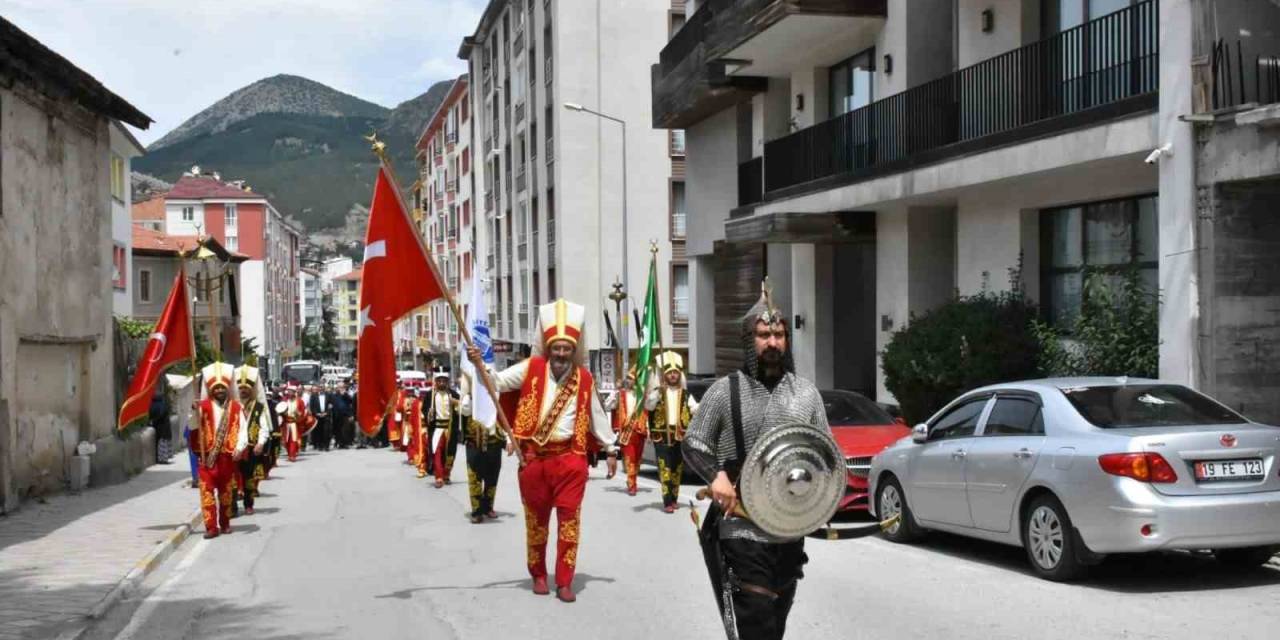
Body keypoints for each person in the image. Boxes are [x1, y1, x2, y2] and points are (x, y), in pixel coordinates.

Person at [682, 283, 829, 640]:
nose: (773, 343)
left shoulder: (806, 393)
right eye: (764, 335)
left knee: (775, 619)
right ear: (750, 340)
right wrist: (716, 476)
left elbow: (824, 457)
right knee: (757, 617)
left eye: (778, 334)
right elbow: (694, 443)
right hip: (742, 524)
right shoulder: (726, 390)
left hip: (787, 527)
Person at [466, 298, 619, 603]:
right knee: (536, 523)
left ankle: (564, 580)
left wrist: (611, 447)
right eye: (556, 348)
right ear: (548, 348)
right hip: (534, 460)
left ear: (574, 350)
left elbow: (596, 416)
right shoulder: (530, 368)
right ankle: (538, 573)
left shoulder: (584, 378)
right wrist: (477, 363)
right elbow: (496, 382)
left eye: (567, 348)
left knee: (569, 522)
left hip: (571, 461)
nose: (561, 353)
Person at [189, 362, 249, 539]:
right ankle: (211, 527)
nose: (220, 391)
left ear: (228, 389)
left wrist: (239, 447)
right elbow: (192, 426)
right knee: (206, 493)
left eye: (223, 388)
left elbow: (243, 429)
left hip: (227, 458)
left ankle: (225, 523)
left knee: (226, 493)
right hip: (208, 457)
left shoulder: (236, 408)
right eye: (216, 388)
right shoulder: (203, 406)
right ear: (211, 390)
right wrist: (193, 411)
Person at [645, 351, 698, 513]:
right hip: (661, 435)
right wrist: (657, 391)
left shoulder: (686, 394)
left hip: (679, 435)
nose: (673, 375)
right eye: (670, 373)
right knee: (665, 468)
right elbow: (649, 406)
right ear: (665, 375)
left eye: (676, 373)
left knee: (677, 469)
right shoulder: (657, 392)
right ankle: (667, 501)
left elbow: (694, 408)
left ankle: (674, 498)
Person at [459, 373, 504, 523]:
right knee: (475, 477)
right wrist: (470, 395)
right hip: (475, 441)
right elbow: (464, 410)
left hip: (494, 441)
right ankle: (477, 510)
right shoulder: (469, 396)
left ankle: (488, 507)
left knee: (492, 476)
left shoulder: (496, 392)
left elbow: (504, 417)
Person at [232, 365, 272, 515]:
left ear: (251, 389)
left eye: (246, 388)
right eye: (240, 388)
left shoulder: (258, 406)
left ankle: (249, 504)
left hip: (251, 448)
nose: (243, 390)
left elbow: (264, 426)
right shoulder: (232, 406)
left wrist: (261, 442)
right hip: (234, 447)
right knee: (233, 479)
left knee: (248, 478)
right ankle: (232, 507)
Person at [602, 369, 647, 497]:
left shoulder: (641, 395)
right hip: (626, 433)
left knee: (637, 461)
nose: (629, 381)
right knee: (629, 459)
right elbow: (607, 405)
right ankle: (632, 485)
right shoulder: (620, 394)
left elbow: (648, 412)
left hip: (640, 431)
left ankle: (632, 479)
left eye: (632, 378)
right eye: (628, 378)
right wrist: (615, 393)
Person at [425, 367, 462, 488]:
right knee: (436, 452)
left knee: (450, 454)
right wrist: (428, 414)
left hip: (450, 429)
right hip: (436, 429)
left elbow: (463, 410)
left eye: (444, 381)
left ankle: (446, 474)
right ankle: (439, 477)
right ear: (436, 381)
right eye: (439, 380)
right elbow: (424, 411)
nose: (441, 383)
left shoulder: (454, 395)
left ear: (447, 381)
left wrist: (456, 404)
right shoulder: (430, 395)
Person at [149, 382, 173, 464]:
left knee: (161, 443)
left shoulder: (154, 405)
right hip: (164, 427)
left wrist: (152, 421)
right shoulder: (163, 405)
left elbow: (156, 415)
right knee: (163, 443)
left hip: (160, 427)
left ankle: (162, 459)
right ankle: (163, 459)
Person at [309, 384, 333, 452]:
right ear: (318, 388)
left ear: (324, 388)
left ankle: (326, 446)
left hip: (326, 416)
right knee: (319, 431)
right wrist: (317, 413)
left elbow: (331, 405)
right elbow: (312, 406)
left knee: (326, 431)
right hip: (318, 416)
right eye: (320, 387)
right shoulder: (313, 395)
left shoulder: (329, 395)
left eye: (322, 387)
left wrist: (327, 413)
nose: (321, 388)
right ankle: (320, 445)